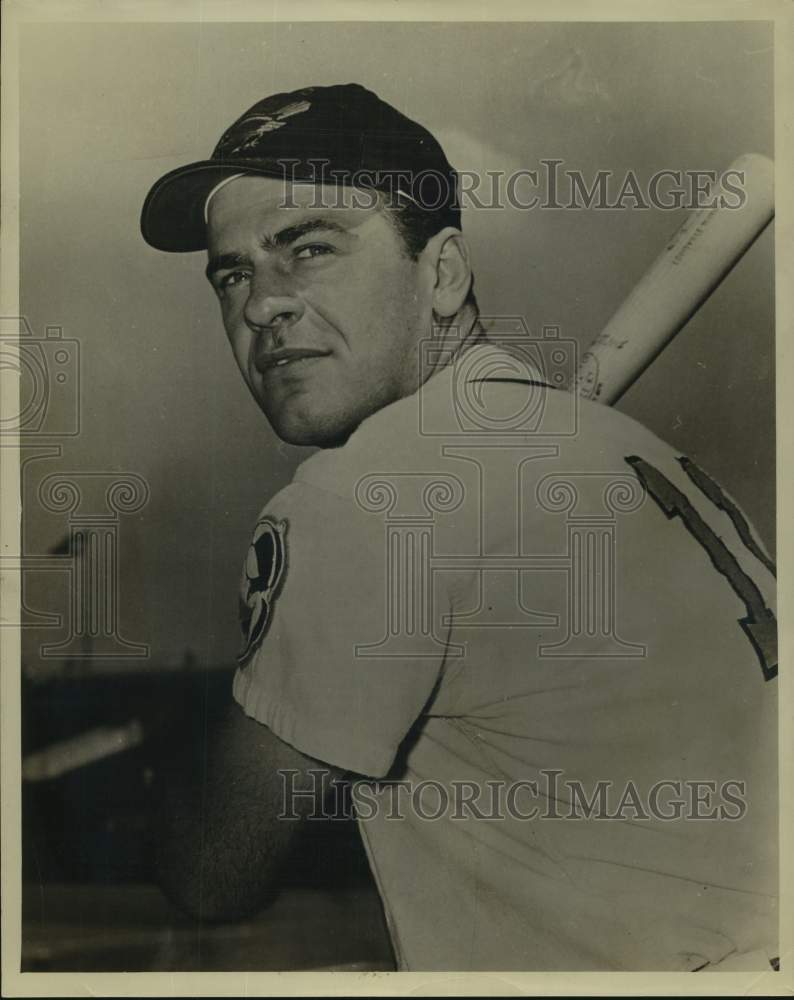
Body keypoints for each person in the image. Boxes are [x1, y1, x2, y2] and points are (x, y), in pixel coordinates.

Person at [141, 83, 778, 972]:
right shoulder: (637, 454)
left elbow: (213, 873)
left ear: (442, 273)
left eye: (310, 248)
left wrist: (199, 728)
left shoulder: (367, 492)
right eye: (234, 272)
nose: (260, 306)